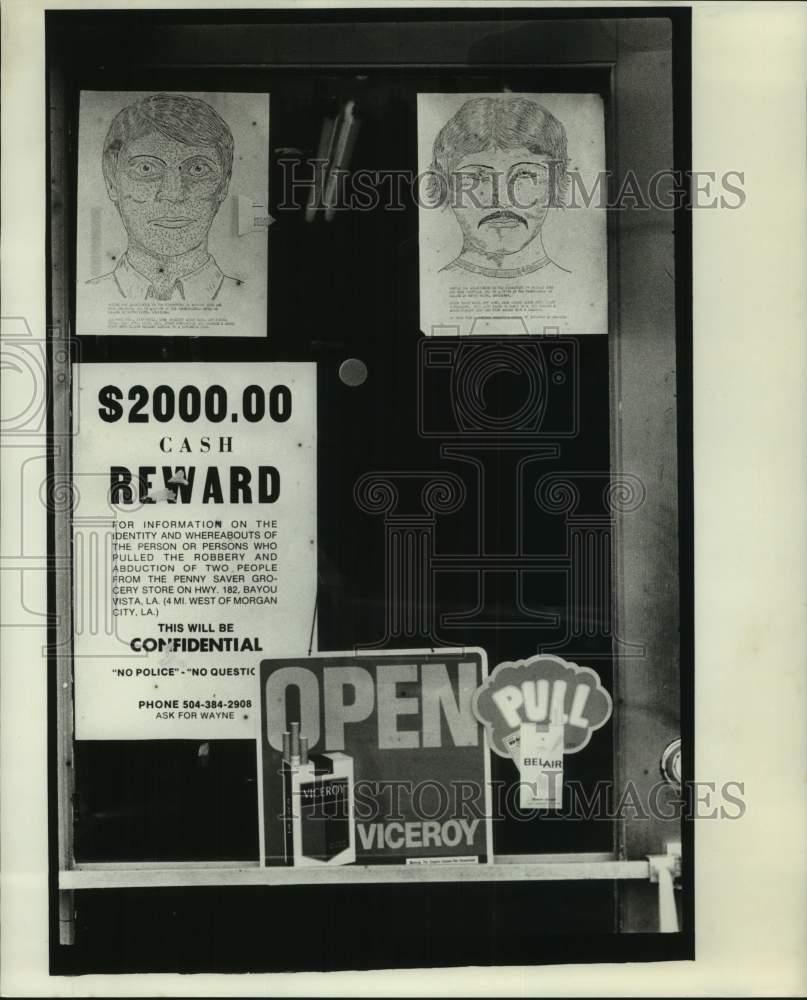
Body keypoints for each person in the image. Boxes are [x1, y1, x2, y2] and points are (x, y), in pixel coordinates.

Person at [87, 93, 241, 302]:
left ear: (223, 184)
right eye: (146, 168)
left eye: (197, 169)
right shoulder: (89, 298)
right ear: (112, 182)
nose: (173, 194)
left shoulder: (246, 300)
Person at [429, 96, 571, 279]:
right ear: (443, 186)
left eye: (524, 175)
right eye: (476, 177)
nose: (502, 201)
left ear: (556, 183)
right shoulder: (431, 291)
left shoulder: (577, 292)